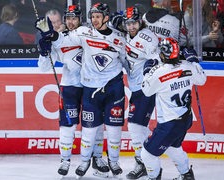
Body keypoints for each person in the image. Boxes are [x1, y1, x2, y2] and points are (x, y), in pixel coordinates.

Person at [36, 2, 127, 178]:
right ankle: (65, 160)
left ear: (80, 19)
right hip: (70, 87)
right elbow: (44, 67)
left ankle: (97, 158)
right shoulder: (61, 38)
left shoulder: (87, 32)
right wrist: (43, 51)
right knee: (68, 125)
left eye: (74, 18)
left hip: (89, 86)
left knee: (96, 126)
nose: (70, 22)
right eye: (68, 18)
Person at [140, 37, 207, 180]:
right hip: (185, 119)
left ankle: (154, 177)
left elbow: (146, 90)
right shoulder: (187, 66)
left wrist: (146, 71)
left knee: (147, 154)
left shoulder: (159, 72)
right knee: (173, 147)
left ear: (163, 54)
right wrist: (194, 61)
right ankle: (186, 175)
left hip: (169, 123)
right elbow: (201, 80)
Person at [111, 6, 161, 180]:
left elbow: (158, 59)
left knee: (134, 126)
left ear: (141, 22)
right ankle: (149, 163)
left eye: (134, 23)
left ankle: (142, 163)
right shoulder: (124, 34)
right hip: (135, 88)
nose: (131, 26)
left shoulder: (148, 38)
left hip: (146, 89)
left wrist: (150, 71)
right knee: (140, 128)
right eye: (128, 23)